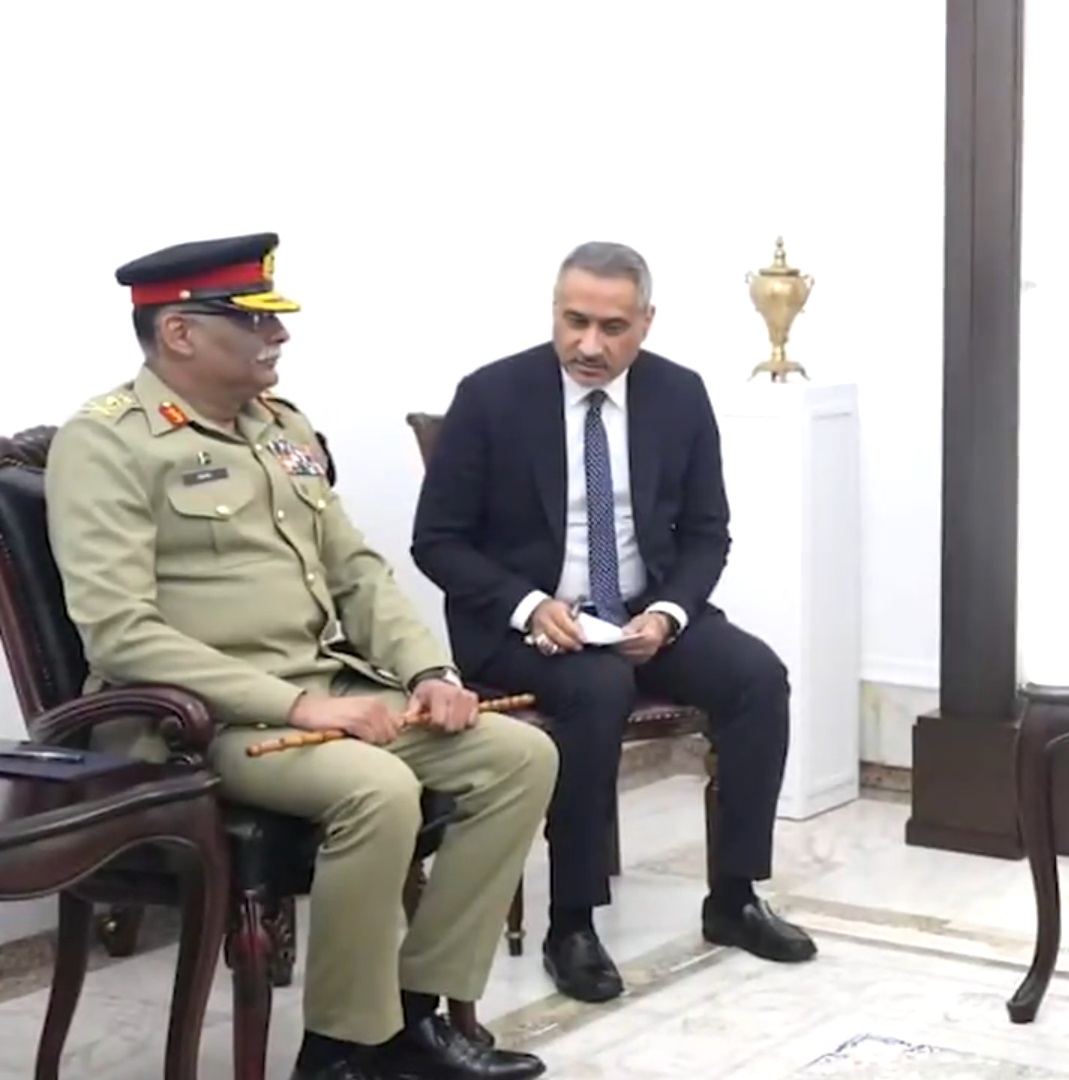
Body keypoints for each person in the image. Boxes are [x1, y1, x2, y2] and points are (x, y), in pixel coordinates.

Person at [46, 233, 560, 1080]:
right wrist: (299, 707)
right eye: (253, 320)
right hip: (202, 722)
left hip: (330, 690)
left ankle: (416, 1017)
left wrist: (430, 673)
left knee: (520, 757)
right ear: (179, 332)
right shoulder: (106, 443)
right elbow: (120, 632)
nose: (278, 335)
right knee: (377, 787)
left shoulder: (280, 428)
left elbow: (357, 571)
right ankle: (340, 1050)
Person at [410, 240, 815, 1004]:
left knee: (756, 677)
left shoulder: (678, 395)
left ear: (647, 322)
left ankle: (734, 898)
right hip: (524, 624)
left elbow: (707, 532)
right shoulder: (492, 396)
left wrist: (666, 613)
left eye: (613, 327)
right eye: (575, 322)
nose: (590, 345)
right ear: (554, 312)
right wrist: (531, 605)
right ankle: (573, 923)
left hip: (639, 611)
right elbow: (437, 541)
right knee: (595, 689)